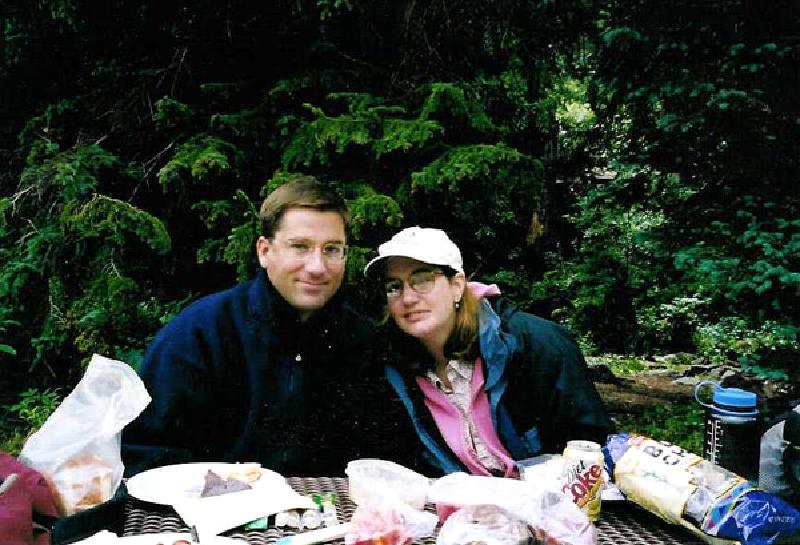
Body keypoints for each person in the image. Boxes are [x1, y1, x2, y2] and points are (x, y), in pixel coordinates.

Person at [123, 175, 396, 476]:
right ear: (264, 251)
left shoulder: (360, 341)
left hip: (329, 503)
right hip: (210, 501)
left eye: (331, 249)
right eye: (300, 247)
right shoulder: (200, 334)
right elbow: (145, 454)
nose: (317, 267)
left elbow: (380, 459)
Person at [364, 226, 614, 476]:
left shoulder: (538, 345)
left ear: (456, 285)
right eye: (394, 286)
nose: (407, 298)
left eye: (422, 280)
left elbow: (592, 450)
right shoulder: (391, 367)